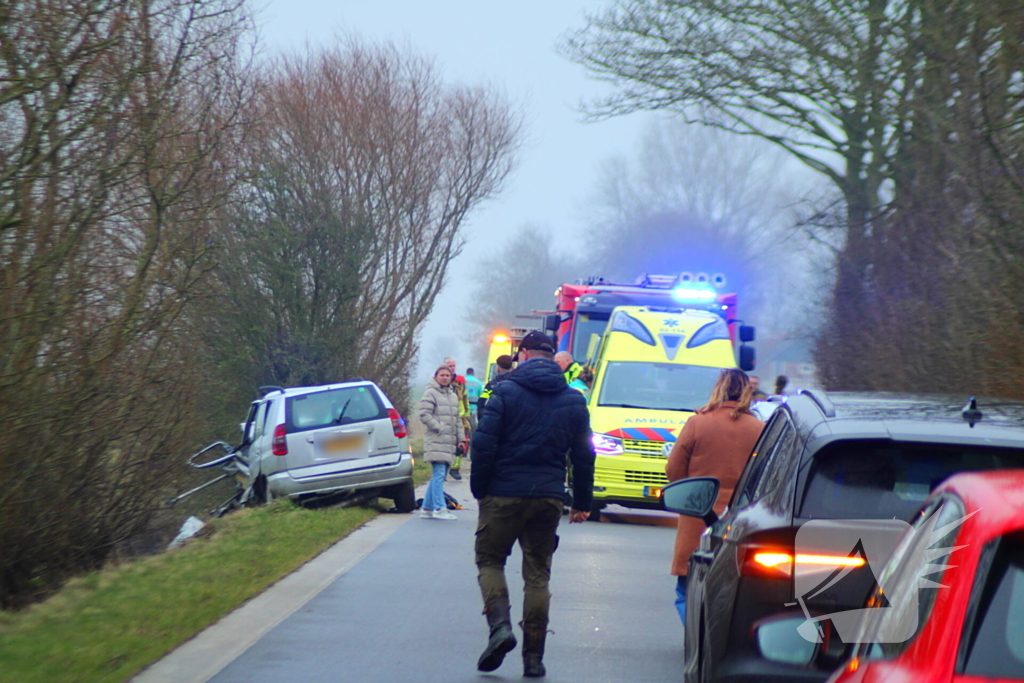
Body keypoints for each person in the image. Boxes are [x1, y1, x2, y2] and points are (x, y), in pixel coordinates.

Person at [470, 331, 595, 678]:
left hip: (503, 493)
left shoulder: (504, 392)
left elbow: (484, 445)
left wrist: (480, 488)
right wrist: (582, 502)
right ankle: (534, 659)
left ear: (523, 354)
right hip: (549, 497)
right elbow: (584, 455)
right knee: (538, 574)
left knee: (491, 560)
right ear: (553, 357)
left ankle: (500, 628)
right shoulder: (573, 399)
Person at [665, 369, 764, 627]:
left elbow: (674, 468)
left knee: (687, 589)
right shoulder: (760, 429)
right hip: (743, 519)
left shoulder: (698, 423)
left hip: (698, 515)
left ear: (718, 388)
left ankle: (695, 637)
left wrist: (688, 494)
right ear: (747, 392)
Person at [418, 365, 465, 520]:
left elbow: (457, 419)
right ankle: (440, 508)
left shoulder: (452, 395)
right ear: (436, 376)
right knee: (439, 474)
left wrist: (461, 439)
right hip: (437, 441)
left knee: (440, 475)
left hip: (449, 442)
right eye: (442, 375)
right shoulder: (430, 393)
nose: (445, 377)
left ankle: (426, 508)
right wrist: (439, 428)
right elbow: (424, 414)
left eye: (447, 375)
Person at [443, 356, 472, 480]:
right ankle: (444, 467)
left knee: (462, 442)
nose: (452, 368)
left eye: (454, 366)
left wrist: (467, 412)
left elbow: (465, 397)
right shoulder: (441, 380)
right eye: (450, 366)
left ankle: (455, 468)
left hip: (460, 417)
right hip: (445, 417)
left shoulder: (460, 380)